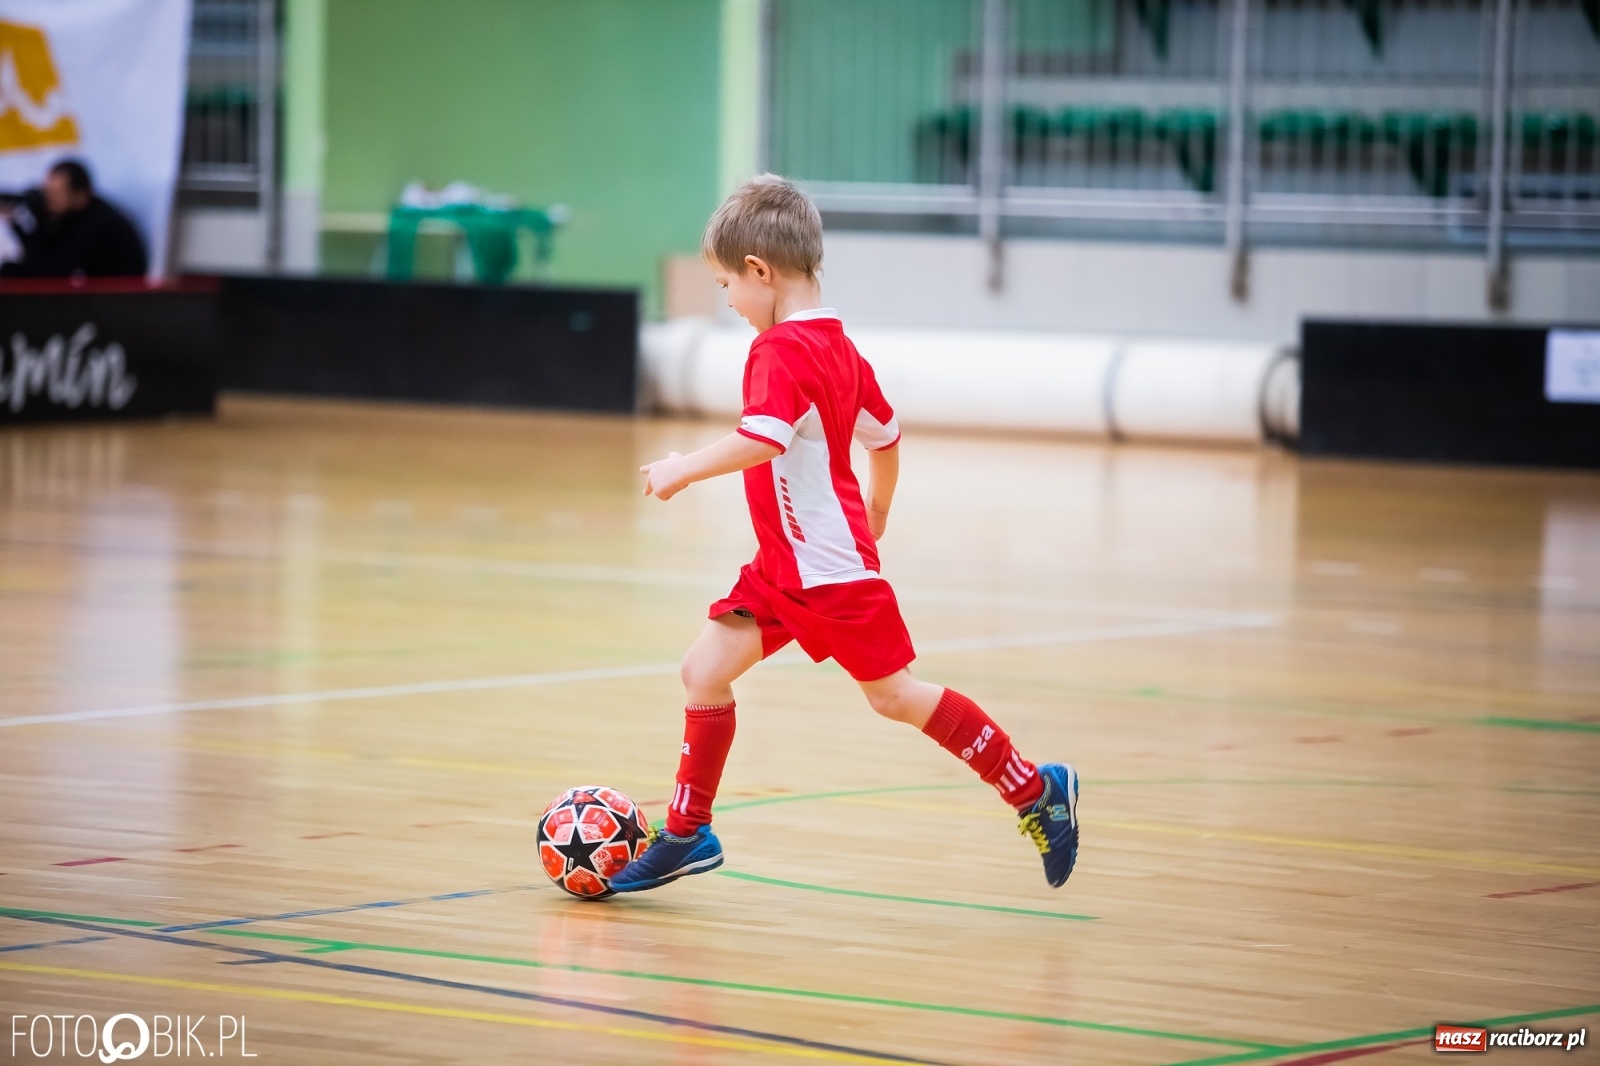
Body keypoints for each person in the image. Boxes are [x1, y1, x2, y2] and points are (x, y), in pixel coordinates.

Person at [611, 174, 1079, 893]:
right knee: (703, 671)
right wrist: (880, 509)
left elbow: (763, 438)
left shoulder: (778, 351)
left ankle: (1034, 788)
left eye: (726, 285)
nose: (728, 301)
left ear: (759, 272)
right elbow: (885, 438)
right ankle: (687, 831)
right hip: (783, 568)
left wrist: (683, 468)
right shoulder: (839, 348)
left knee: (895, 697)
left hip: (827, 572)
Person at [0, 159, 148, 278]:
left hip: (120, 297)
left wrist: (20, 224)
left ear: (80, 196)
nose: (48, 199)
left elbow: (52, 271)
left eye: (57, 193)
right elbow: (46, 254)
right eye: (47, 192)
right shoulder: (73, 216)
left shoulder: (99, 224)